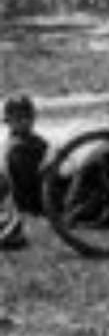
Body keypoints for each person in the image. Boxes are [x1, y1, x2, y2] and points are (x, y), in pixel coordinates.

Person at [1, 93, 48, 249]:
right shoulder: (19, 146)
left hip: (32, 200)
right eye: (19, 117)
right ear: (9, 121)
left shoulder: (35, 142)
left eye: (27, 116)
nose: (25, 121)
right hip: (33, 201)